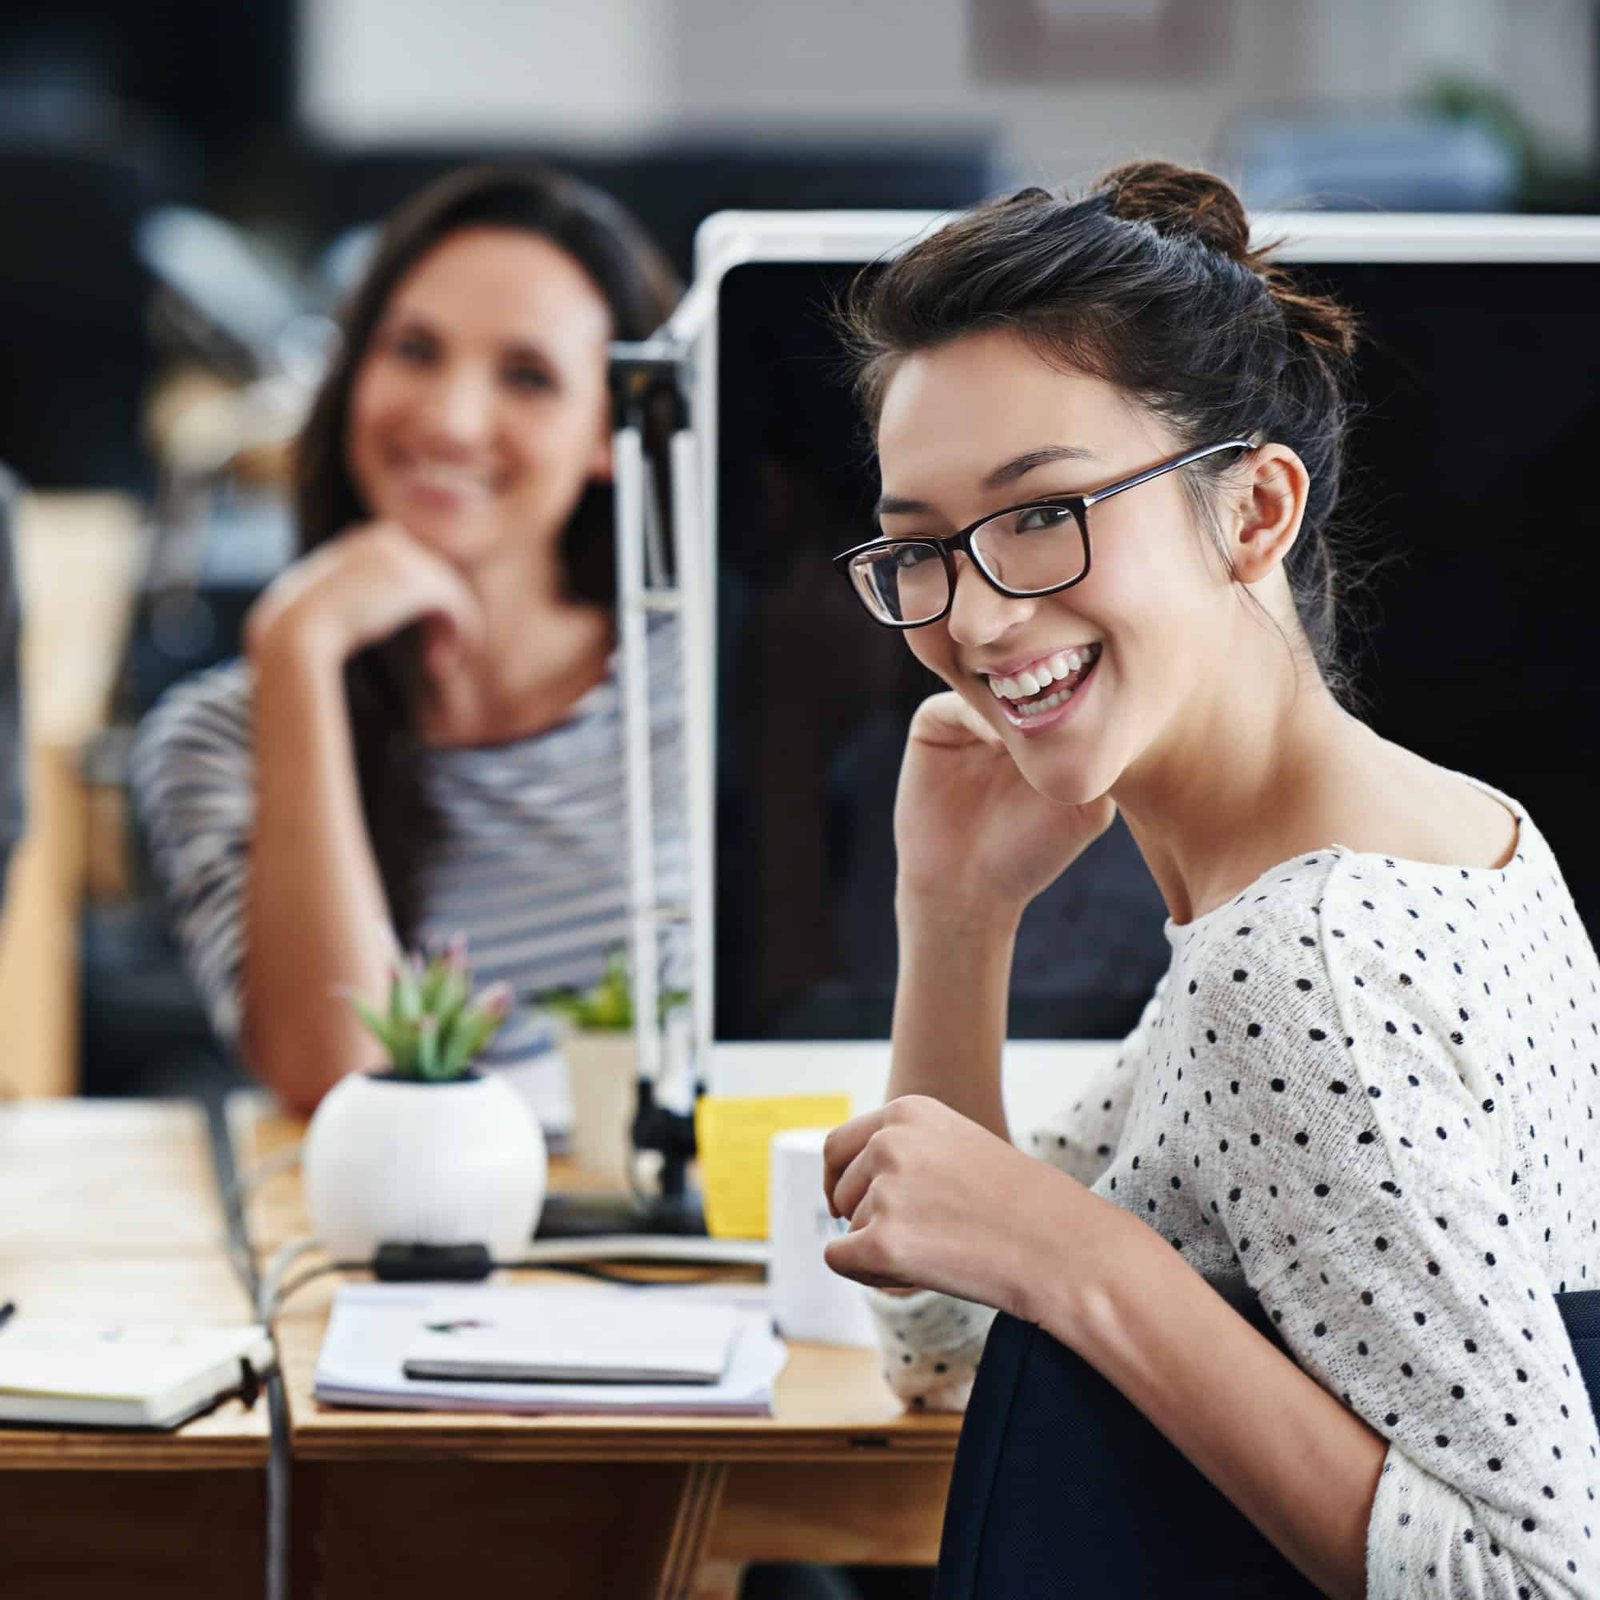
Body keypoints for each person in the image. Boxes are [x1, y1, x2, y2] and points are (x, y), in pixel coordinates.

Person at [818, 162, 1600, 1598]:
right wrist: (958, 912)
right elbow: (940, 1335)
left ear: (1252, 513)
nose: (978, 614)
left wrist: (1087, 1268)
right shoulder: (1444, 838)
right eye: (922, 548)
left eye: (1043, 513)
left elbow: (1536, 1579)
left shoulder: (1306, 964)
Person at [132, 165, 683, 1119]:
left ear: (613, 431)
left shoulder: (708, 688)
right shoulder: (216, 736)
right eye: (415, 350)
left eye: (528, 376)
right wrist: (299, 653)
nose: (450, 418)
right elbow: (340, 1078)